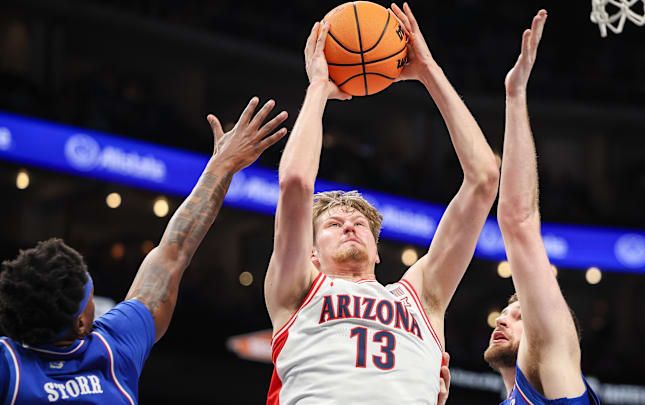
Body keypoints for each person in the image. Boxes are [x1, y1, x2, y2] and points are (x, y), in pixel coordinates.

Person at [264, 2, 499, 404]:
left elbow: (483, 180)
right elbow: (297, 182)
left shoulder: (422, 295)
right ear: (312, 253)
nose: (349, 226)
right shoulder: (299, 287)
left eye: (358, 224)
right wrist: (319, 87)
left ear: (377, 252)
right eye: (333, 225)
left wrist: (429, 72)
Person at [0, 97, 287, 404]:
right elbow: (174, 251)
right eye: (89, 292)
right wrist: (223, 166)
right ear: (81, 324)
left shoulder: (9, 363)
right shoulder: (114, 346)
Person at [484, 10, 600, 404]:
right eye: (507, 312)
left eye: (519, 317)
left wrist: (515, 98)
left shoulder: (553, 364)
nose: (503, 318)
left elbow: (518, 221)